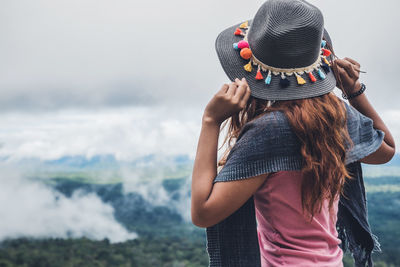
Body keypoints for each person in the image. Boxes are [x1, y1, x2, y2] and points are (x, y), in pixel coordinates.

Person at [191, 0, 396, 266]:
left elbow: (204, 212)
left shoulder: (268, 131)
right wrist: (354, 91)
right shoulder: (337, 116)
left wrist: (210, 121)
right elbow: (386, 149)